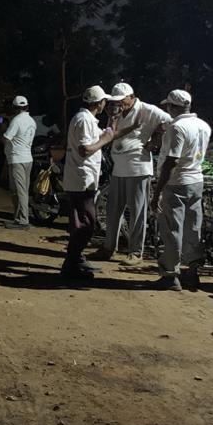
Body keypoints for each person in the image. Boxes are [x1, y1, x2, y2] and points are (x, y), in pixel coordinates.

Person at [60, 86, 136, 280]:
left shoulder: (87, 119)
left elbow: (107, 135)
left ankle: (75, 260)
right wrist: (104, 140)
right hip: (81, 179)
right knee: (86, 223)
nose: (106, 104)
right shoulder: (84, 120)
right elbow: (85, 149)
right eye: (104, 101)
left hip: (83, 178)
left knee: (82, 222)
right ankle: (72, 264)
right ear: (98, 103)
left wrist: (118, 122)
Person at [91, 83, 173, 262]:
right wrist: (112, 118)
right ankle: (109, 247)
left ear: (132, 96)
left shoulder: (146, 109)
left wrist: (155, 140)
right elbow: (110, 134)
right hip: (118, 167)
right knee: (113, 210)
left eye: (122, 100)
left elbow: (169, 122)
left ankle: (135, 252)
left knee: (137, 212)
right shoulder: (117, 111)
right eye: (116, 100)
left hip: (138, 167)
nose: (119, 103)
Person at [151, 90, 212, 291]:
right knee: (193, 228)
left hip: (176, 182)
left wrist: (158, 191)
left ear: (172, 107)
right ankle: (192, 272)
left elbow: (172, 161)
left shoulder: (176, 128)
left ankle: (170, 275)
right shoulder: (204, 125)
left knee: (172, 230)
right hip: (196, 181)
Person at [2, 96, 37, 230]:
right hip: (27, 158)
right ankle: (18, 218)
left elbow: (6, 137)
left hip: (17, 159)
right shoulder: (31, 121)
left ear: (15, 108)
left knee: (19, 190)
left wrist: (3, 127)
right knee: (21, 190)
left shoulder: (16, 120)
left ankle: (23, 221)